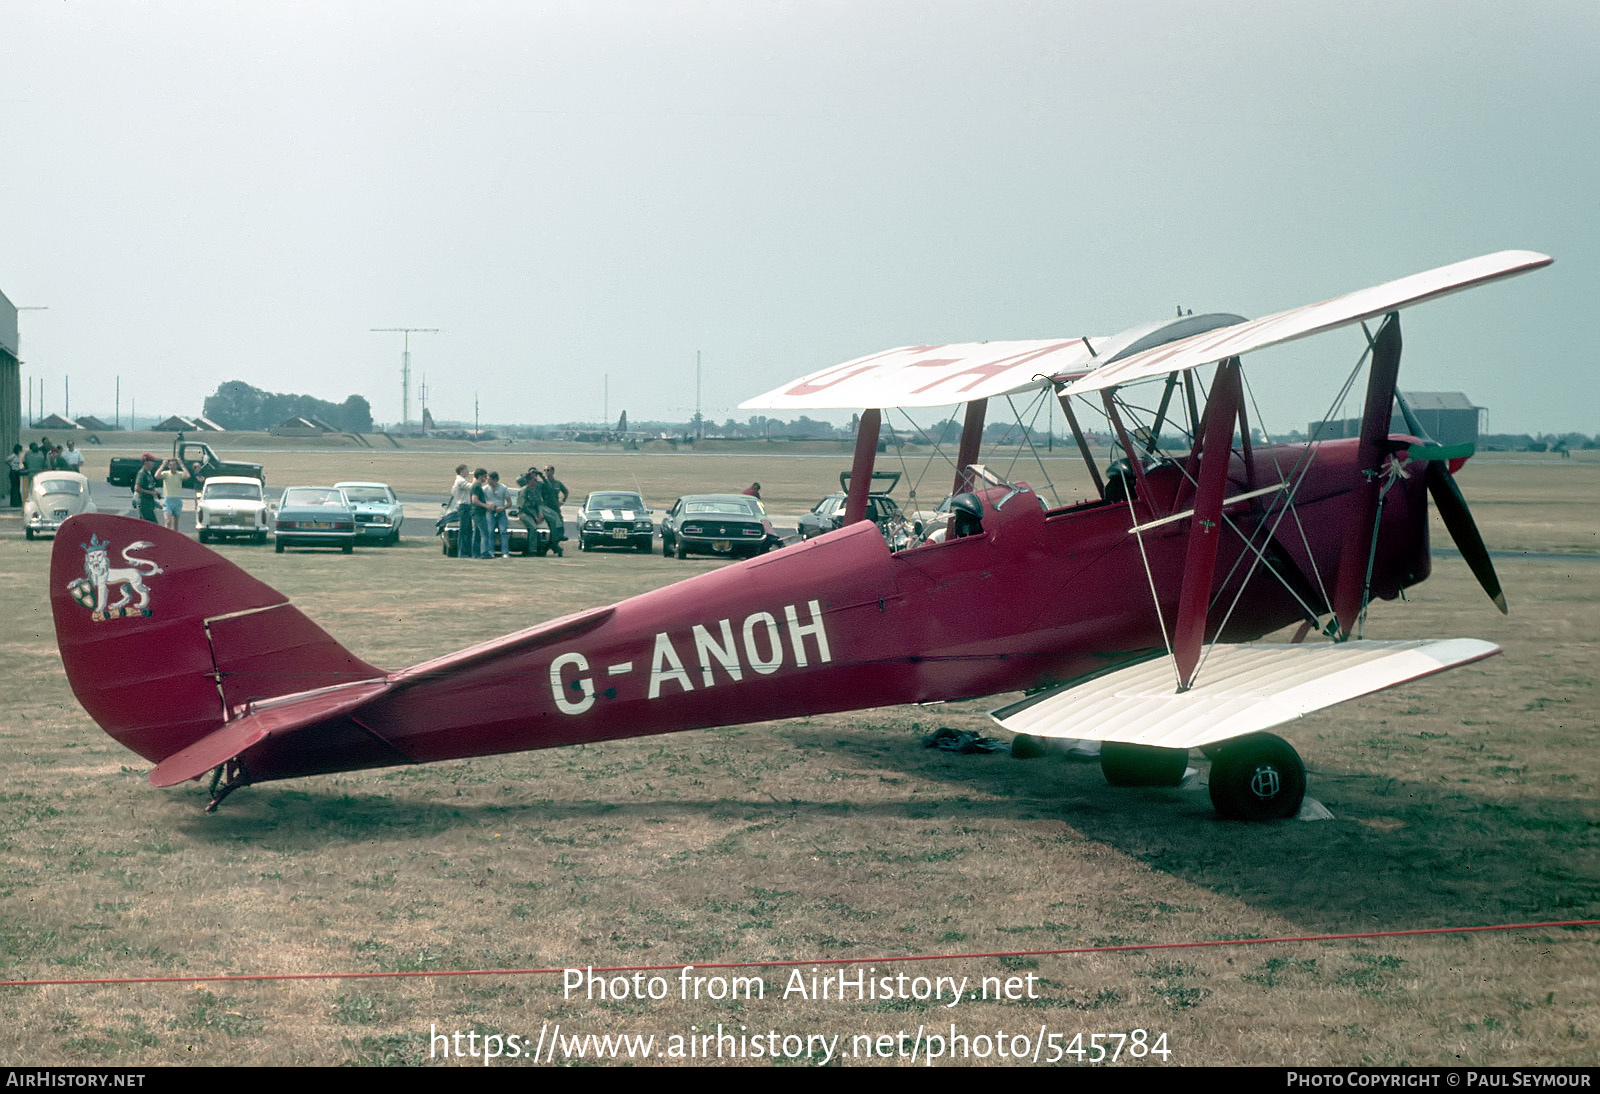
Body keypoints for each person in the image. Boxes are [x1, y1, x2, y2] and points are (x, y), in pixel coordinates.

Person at [445, 463, 475, 558]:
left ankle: (467, 551)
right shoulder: (460, 481)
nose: (468, 472)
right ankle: (463, 553)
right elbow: (472, 487)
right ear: (462, 471)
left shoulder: (460, 480)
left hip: (466, 507)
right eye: (466, 470)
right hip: (464, 507)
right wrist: (475, 477)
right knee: (464, 531)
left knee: (467, 530)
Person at [538, 464, 568, 556]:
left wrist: (562, 501)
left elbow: (566, 492)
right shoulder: (543, 483)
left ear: (553, 471)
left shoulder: (557, 483)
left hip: (555, 507)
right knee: (550, 528)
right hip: (546, 508)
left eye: (549, 470)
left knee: (560, 524)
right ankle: (552, 545)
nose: (547, 472)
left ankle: (556, 541)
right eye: (545, 470)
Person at [468, 468, 494, 559]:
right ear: (479, 476)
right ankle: (484, 552)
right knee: (485, 533)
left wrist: (489, 504)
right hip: (478, 513)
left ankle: (475, 553)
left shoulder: (477, 486)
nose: (485, 478)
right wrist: (485, 506)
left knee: (477, 534)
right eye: (484, 476)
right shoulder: (476, 486)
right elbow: (475, 500)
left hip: (477, 512)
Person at [486, 471, 511, 557]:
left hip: (501, 512)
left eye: (489, 479)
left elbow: (509, 502)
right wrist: (489, 504)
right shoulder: (485, 489)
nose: (487, 481)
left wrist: (502, 508)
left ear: (495, 479)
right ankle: (490, 552)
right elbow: (482, 500)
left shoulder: (503, 488)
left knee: (503, 531)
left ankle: (505, 552)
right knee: (490, 531)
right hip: (489, 512)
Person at [158, 458, 186, 531]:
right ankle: (166, 536)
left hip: (177, 500)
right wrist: (163, 464)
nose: (172, 466)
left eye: (174, 465)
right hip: (168, 500)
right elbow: (156, 476)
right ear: (169, 466)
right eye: (171, 465)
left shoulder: (180, 474)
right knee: (168, 521)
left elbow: (188, 476)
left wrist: (181, 464)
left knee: (175, 524)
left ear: (176, 466)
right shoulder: (165, 474)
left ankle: (174, 540)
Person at [134, 454, 160, 523]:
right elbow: (137, 488)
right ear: (146, 462)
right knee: (151, 524)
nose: (153, 463)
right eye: (151, 461)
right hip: (144, 503)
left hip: (149, 503)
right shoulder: (142, 473)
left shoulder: (149, 473)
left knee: (150, 524)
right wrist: (151, 493)